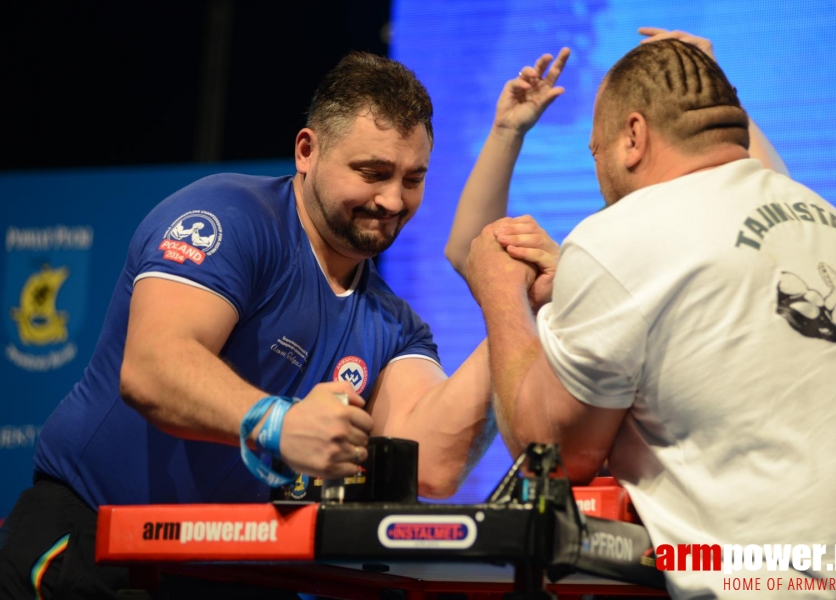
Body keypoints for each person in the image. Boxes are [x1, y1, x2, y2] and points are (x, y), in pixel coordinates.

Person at [0, 51, 557, 599]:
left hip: (233, 573)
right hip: (92, 546)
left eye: (413, 179)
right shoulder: (229, 217)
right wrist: (279, 425)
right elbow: (152, 367)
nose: (392, 199)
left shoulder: (397, 324)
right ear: (307, 151)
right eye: (373, 173)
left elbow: (432, 464)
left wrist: (514, 305)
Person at [457, 29, 836, 598]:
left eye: (597, 152)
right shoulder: (833, 225)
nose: (599, 175)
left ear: (633, 135)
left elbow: (556, 454)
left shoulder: (621, 235)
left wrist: (499, 291)